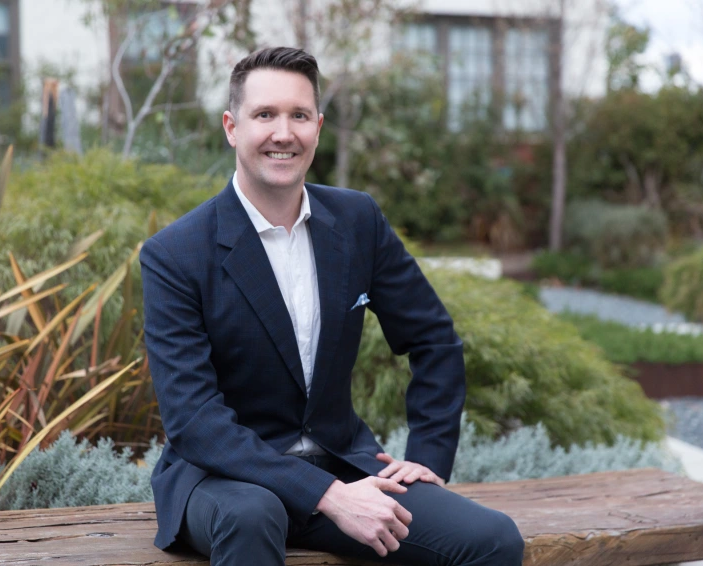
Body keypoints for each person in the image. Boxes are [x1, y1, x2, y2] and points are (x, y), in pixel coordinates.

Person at [140, 46, 524, 566]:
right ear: (232, 127)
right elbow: (195, 421)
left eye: (299, 115)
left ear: (318, 127)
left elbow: (433, 338)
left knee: (492, 540)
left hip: (344, 464)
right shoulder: (176, 253)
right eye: (265, 115)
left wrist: (428, 456)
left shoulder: (357, 220)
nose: (284, 132)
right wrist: (328, 496)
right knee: (254, 516)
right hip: (223, 481)